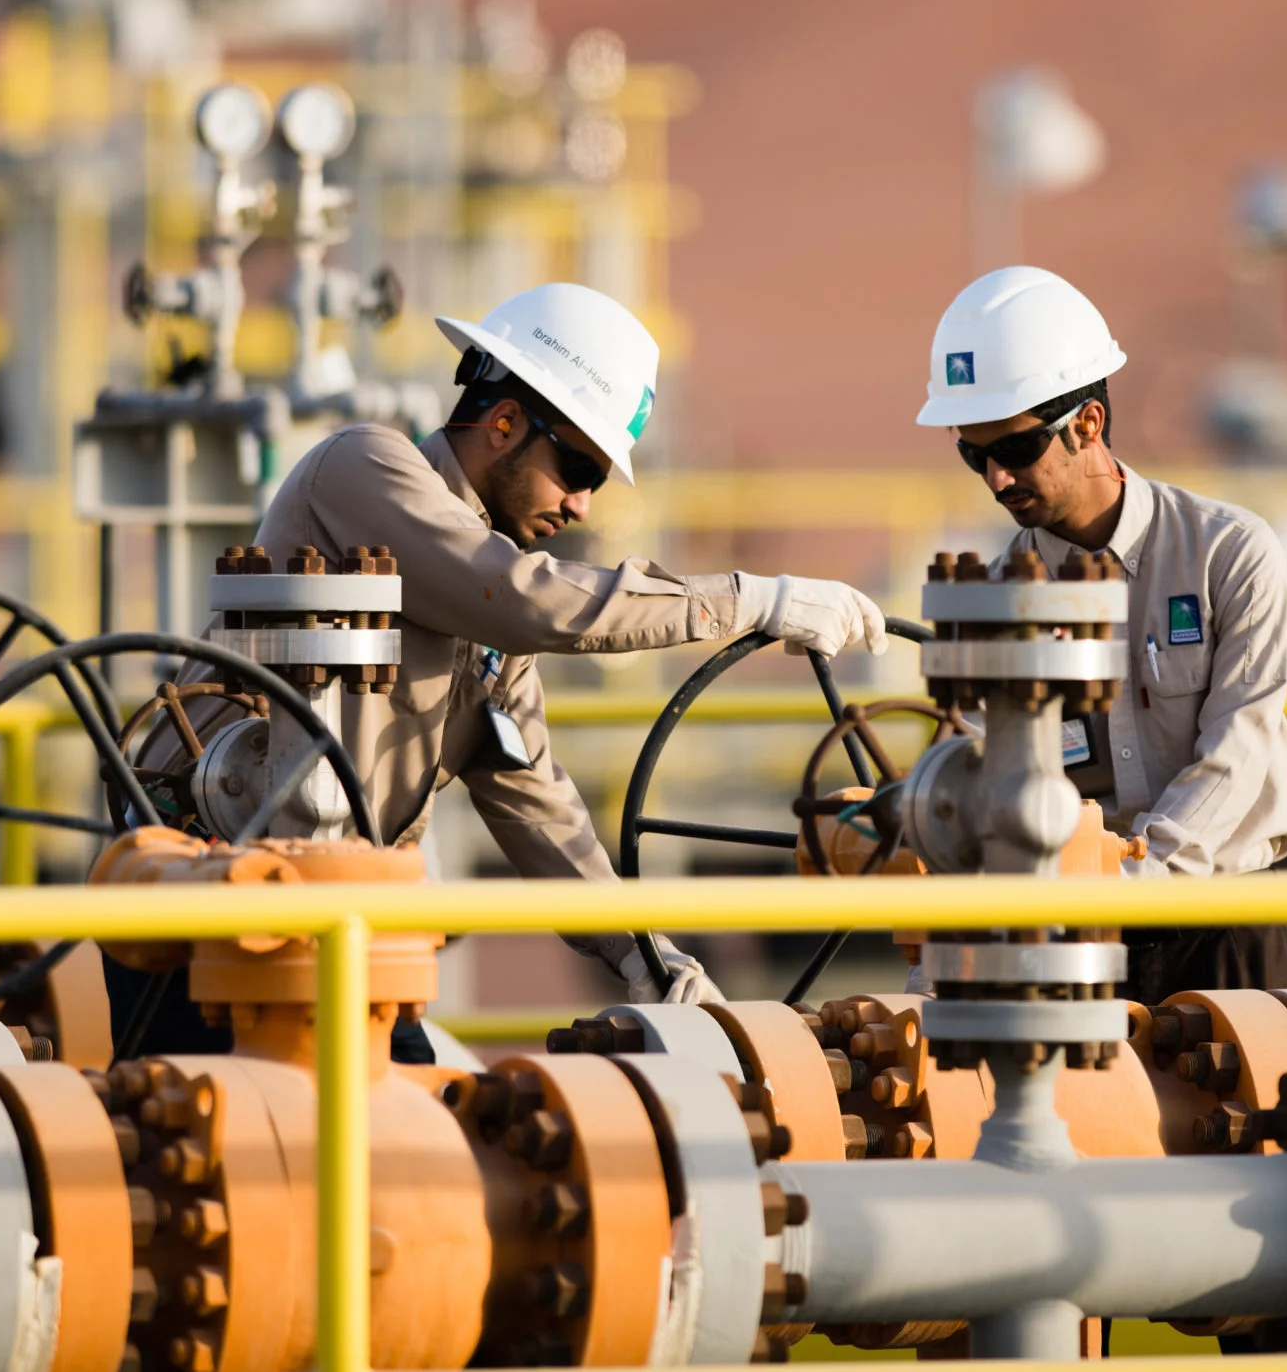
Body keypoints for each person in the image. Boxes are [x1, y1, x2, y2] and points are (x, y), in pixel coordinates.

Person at [155, 281, 888, 1016]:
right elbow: (526, 600)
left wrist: (643, 953)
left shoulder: (490, 617)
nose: (582, 505)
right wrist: (750, 600)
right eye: (579, 471)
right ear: (504, 421)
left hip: (335, 931)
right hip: (198, 910)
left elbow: (533, 798)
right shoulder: (363, 468)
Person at [917, 265, 1287, 1000]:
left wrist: (1137, 876)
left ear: (1088, 423)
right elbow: (974, 781)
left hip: (1228, 925)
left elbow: (1240, 747)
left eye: (1016, 450)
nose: (996, 478)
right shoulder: (992, 603)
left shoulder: (1230, 554)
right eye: (973, 453)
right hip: (1076, 938)